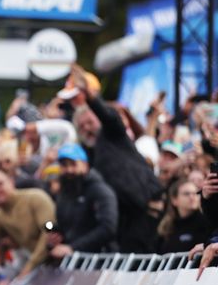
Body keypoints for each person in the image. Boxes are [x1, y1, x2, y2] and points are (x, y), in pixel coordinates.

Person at [62, 65, 163, 253]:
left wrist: (90, 97)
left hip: (149, 208)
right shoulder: (86, 156)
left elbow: (109, 117)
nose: (87, 128)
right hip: (124, 218)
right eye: (81, 126)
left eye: (90, 122)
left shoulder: (113, 135)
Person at [0, 166, 56, 279]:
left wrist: (29, 268)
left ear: (11, 182)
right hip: (40, 269)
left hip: (61, 261)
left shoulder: (35, 198)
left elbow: (49, 229)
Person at [48, 143, 118, 259]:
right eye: (64, 165)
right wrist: (54, 236)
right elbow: (65, 224)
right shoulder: (64, 193)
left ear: (85, 165)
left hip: (100, 259)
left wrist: (73, 247)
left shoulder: (99, 190)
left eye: (73, 164)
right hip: (73, 260)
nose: (69, 170)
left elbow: (108, 228)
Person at [157, 178, 212, 254]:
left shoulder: (207, 222)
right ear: (174, 200)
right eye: (186, 194)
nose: (192, 197)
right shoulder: (166, 227)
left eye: (195, 193)